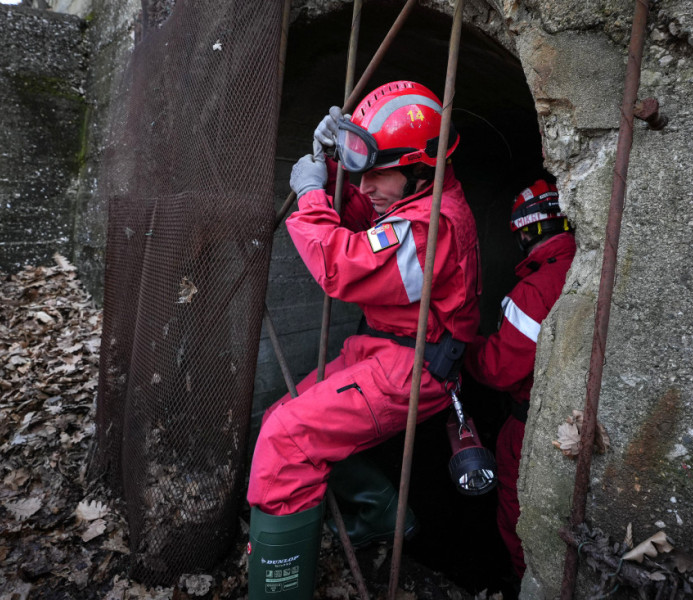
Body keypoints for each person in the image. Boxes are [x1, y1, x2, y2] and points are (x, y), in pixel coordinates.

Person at [246, 80, 481, 600]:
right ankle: (380, 511)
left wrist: (310, 194)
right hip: (383, 347)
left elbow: (344, 264)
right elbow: (365, 218)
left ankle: (277, 588)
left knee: (287, 439)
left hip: (414, 368)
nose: (366, 186)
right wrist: (332, 167)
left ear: (421, 168)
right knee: (282, 414)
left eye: (377, 174)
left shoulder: (432, 228)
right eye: (362, 173)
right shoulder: (417, 198)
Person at [462, 178, 576, 583]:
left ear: (527, 231)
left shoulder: (536, 288)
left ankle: (527, 586)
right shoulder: (583, 268)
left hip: (531, 427)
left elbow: (499, 367)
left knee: (518, 519)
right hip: (575, 424)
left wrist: (462, 350)